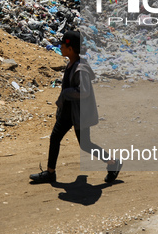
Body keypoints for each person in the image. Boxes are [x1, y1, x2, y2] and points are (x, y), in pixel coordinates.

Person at [29, 30, 122, 184]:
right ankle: (50, 172)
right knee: (55, 138)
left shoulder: (80, 69)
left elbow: (83, 92)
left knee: (85, 145)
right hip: (68, 112)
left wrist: (66, 93)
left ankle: (113, 163)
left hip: (79, 114)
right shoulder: (72, 63)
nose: (60, 47)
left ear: (70, 49)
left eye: (62, 45)